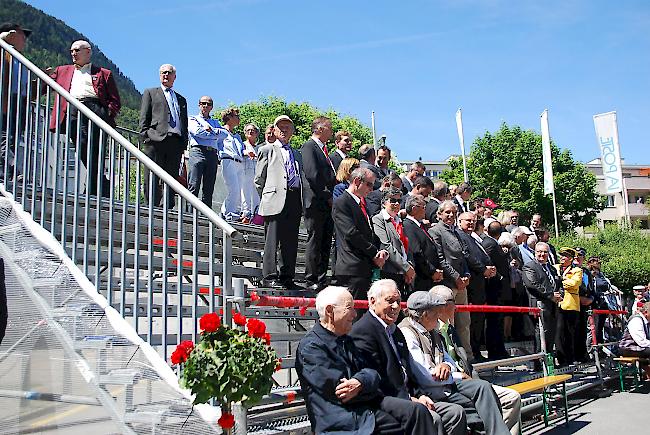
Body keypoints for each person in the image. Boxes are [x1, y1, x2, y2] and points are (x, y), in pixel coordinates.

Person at [296, 286, 437, 434]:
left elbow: (371, 372)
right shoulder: (312, 347)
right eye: (349, 308)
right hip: (342, 418)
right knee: (400, 425)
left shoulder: (345, 339)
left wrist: (361, 382)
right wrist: (364, 382)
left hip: (365, 405)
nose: (355, 314)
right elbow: (341, 392)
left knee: (417, 412)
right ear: (330, 311)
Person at [350, 280, 467, 435]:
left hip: (411, 395)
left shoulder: (394, 330)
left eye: (398, 301)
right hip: (389, 401)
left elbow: (408, 372)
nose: (396, 307)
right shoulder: (364, 332)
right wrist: (411, 399)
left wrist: (420, 395)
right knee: (432, 417)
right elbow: (378, 380)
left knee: (455, 412)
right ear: (372, 301)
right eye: (390, 301)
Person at [398, 290, 511, 435]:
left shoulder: (432, 330)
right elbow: (426, 376)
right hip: (432, 388)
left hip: (447, 382)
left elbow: (448, 360)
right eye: (435, 312)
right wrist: (457, 375)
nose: (439, 315)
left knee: (483, 387)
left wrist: (446, 366)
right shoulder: (408, 333)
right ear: (425, 315)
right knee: (475, 409)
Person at [428, 286, 522, 435]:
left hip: (468, 381)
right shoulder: (431, 331)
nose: (457, 308)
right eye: (454, 302)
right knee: (501, 397)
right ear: (444, 305)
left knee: (512, 397)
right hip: (453, 384)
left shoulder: (450, 329)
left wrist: (472, 379)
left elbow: (464, 361)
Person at [49, 40, 121, 197]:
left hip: (96, 109)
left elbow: (115, 100)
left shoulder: (103, 73)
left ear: (88, 51)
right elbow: (45, 83)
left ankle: (94, 188)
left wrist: (108, 112)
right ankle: (101, 183)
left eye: (77, 50)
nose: (73, 53)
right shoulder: (62, 70)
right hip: (74, 109)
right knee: (82, 147)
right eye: (72, 51)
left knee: (97, 149)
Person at [255, 115, 305, 289]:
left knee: (290, 240)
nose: (284, 130)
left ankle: (287, 276)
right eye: (280, 127)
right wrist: (267, 195)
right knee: (272, 239)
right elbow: (258, 180)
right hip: (274, 198)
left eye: (288, 127)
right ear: (274, 130)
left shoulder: (297, 153)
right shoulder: (267, 150)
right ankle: (269, 275)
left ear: (292, 131)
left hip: (294, 198)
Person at [430, 200, 483, 360]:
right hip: (447, 284)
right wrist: (456, 277)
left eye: (453, 212)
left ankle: (467, 355)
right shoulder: (435, 231)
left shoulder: (457, 232)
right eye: (447, 212)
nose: (451, 215)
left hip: (462, 283)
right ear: (439, 214)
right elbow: (441, 259)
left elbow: (463, 256)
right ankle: (451, 357)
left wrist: (466, 275)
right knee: (448, 323)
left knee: (464, 322)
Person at [332, 167, 388, 300]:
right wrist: (374, 253)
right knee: (355, 315)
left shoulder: (361, 204)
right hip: (352, 268)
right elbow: (351, 234)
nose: (371, 188)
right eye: (369, 184)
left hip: (364, 268)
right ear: (357, 181)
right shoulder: (342, 202)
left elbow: (370, 233)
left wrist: (381, 251)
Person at [139, 64, 188, 207]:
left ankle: (167, 205)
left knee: (171, 176)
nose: (165, 75)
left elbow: (183, 121)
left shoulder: (181, 99)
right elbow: (144, 116)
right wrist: (145, 136)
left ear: (175, 76)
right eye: (162, 73)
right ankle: (151, 205)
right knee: (152, 174)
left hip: (175, 142)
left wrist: (183, 142)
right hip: (155, 139)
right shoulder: (151, 92)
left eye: (169, 72)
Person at [301, 116, 336, 291]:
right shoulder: (309, 146)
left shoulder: (324, 150)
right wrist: (327, 195)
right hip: (316, 201)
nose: (332, 131)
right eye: (329, 128)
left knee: (324, 241)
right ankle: (311, 277)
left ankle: (321, 277)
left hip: (326, 203)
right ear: (320, 129)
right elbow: (312, 174)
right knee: (315, 239)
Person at [457, 212, 496, 361]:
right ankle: (473, 351)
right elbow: (467, 255)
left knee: (478, 319)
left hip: (480, 284)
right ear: (459, 221)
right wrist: (483, 269)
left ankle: (477, 350)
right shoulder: (460, 236)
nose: (471, 223)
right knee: (472, 320)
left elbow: (482, 256)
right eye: (467, 220)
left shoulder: (473, 237)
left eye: (473, 221)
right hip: (471, 284)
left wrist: (490, 267)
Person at [372, 187, 415, 296]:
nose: (396, 204)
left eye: (399, 201)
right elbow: (386, 245)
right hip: (389, 272)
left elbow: (406, 246)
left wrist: (409, 266)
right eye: (393, 200)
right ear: (384, 202)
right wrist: (406, 267)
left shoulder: (399, 220)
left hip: (403, 274)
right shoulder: (378, 219)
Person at [1, 22, 31, 175]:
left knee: (12, 137)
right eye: (21, 34)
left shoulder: (18, 58)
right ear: (11, 34)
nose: (25, 39)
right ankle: (7, 171)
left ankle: (8, 171)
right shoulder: (4, 51)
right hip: (6, 99)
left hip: (19, 101)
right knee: (5, 135)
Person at [522, 242, 562, 358]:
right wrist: (550, 295)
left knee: (551, 333)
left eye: (545, 252)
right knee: (541, 333)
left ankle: (549, 360)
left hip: (553, 305)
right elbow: (532, 284)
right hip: (540, 304)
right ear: (535, 252)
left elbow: (559, 283)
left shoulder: (551, 268)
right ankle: (540, 362)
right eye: (539, 251)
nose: (542, 254)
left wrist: (560, 295)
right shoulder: (529, 266)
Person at [402, 194, 443, 292]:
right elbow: (417, 252)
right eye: (424, 207)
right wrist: (432, 271)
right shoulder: (408, 226)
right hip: (421, 279)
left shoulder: (419, 225)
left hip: (429, 278)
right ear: (414, 209)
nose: (426, 210)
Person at [482, 221, 510, 360]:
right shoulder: (489, 244)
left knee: (497, 320)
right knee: (493, 321)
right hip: (493, 288)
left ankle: (499, 349)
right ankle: (495, 350)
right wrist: (498, 276)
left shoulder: (493, 243)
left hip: (498, 289)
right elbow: (486, 260)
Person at [186, 96, 221, 207]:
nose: (206, 106)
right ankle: (190, 215)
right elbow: (197, 132)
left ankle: (207, 217)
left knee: (209, 187)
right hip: (197, 152)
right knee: (193, 184)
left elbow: (224, 135)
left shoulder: (215, 122)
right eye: (203, 103)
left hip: (212, 154)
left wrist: (212, 131)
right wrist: (215, 134)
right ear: (199, 105)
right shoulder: (192, 119)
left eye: (209, 104)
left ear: (212, 107)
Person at [555, 247, 583, 366]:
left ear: (571, 259)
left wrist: (561, 280)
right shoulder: (555, 267)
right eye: (561, 255)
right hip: (557, 304)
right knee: (559, 332)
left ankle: (570, 358)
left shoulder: (577, 270)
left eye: (565, 256)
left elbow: (574, 284)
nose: (562, 258)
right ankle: (561, 358)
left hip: (570, 305)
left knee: (569, 333)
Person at [217, 107, 246, 222]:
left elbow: (241, 150)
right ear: (229, 117)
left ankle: (230, 212)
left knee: (238, 190)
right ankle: (227, 213)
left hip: (239, 162)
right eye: (236, 116)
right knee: (233, 188)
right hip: (228, 160)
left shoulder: (237, 136)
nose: (238, 119)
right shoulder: (221, 131)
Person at [618, 301, 650, 380]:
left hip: (638, 347)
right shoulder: (636, 320)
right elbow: (642, 342)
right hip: (628, 348)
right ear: (646, 312)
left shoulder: (646, 321)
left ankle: (648, 373)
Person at [241, 123, 260, 222]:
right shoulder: (243, 145)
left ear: (257, 134)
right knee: (245, 193)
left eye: (253, 130)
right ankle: (245, 214)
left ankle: (255, 216)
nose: (250, 132)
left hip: (256, 175)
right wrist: (246, 153)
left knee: (256, 196)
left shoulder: (259, 148)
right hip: (245, 173)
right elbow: (238, 153)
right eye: (248, 130)